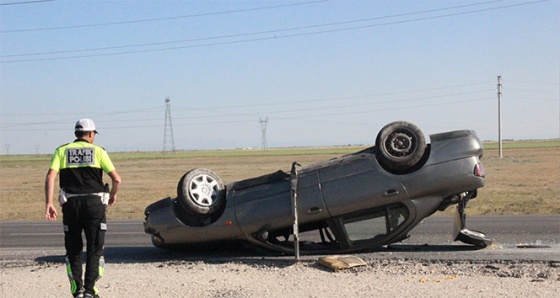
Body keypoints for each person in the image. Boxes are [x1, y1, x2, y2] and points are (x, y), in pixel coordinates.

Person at [44, 118, 121, 298]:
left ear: (75, 134)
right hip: (94, 205)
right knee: (95, 248)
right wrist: (112, 195)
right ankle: (90, 291)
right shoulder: (99, 151)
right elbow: (117, 179)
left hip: (71, 205)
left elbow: (50, 177)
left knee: (73, 249)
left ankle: (77, 291)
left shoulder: (62, 150)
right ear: (91, 134)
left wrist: (49, 203)